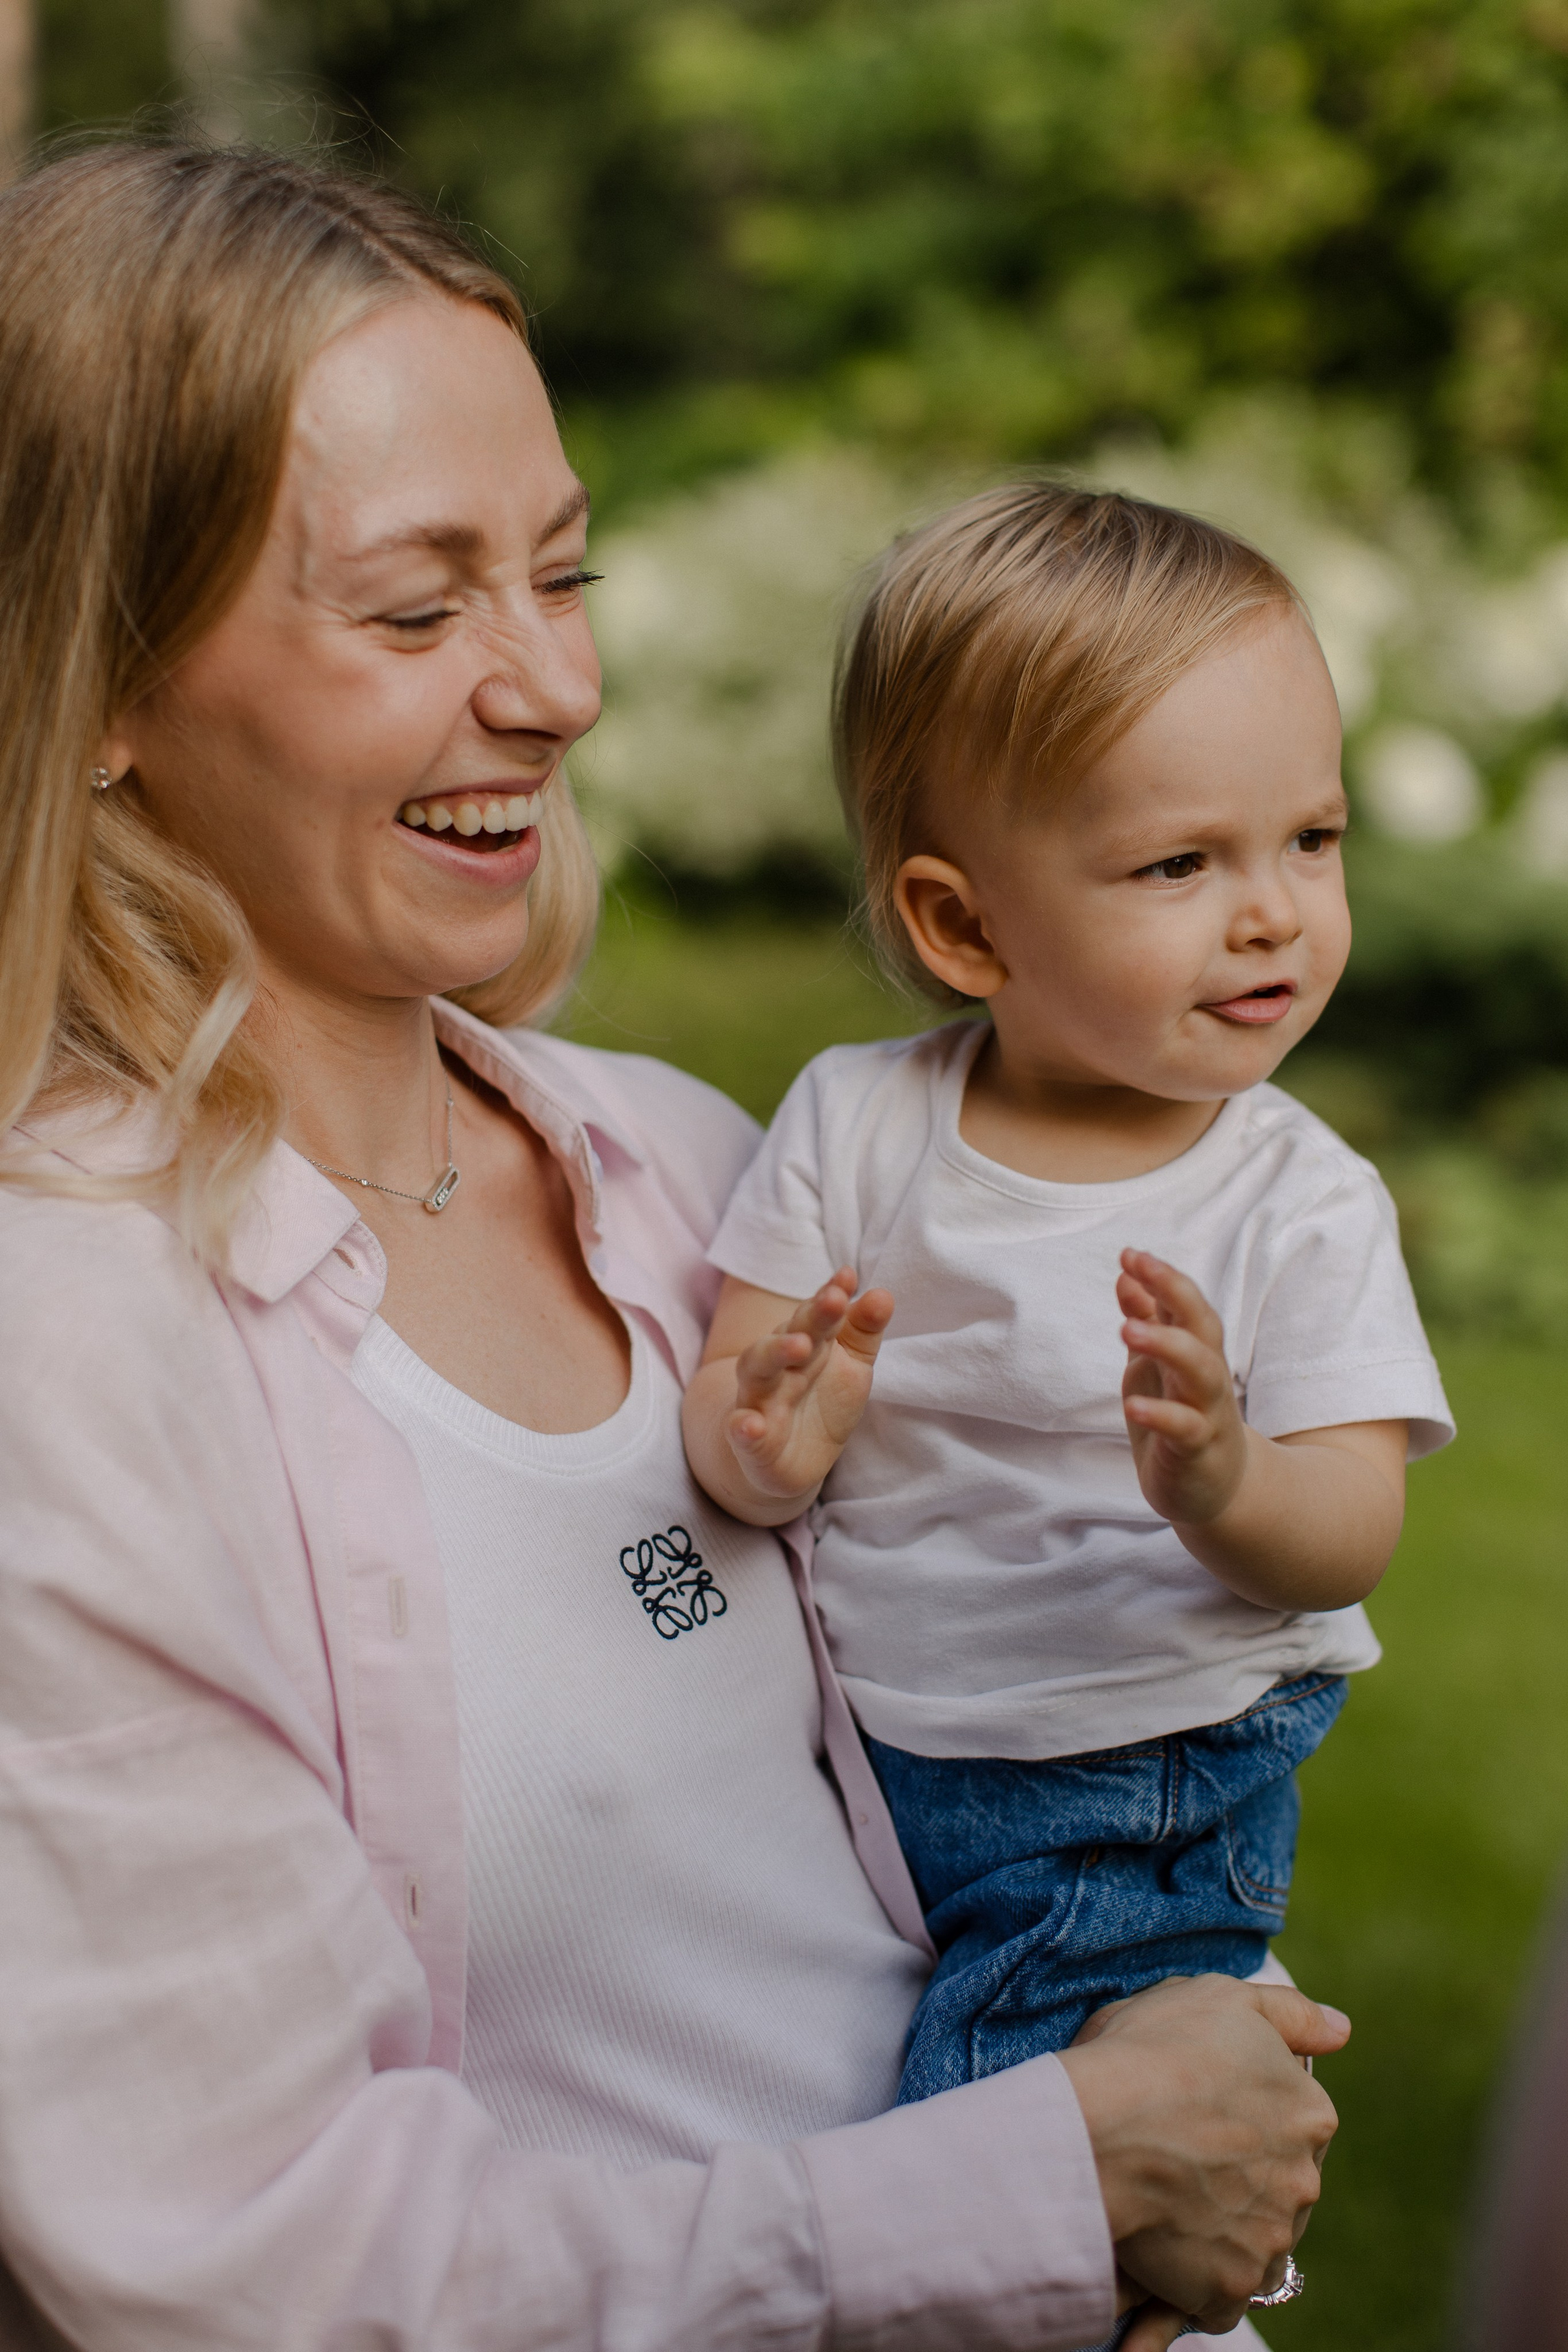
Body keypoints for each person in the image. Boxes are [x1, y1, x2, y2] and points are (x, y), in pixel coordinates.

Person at [0, 143, 1342, 2352]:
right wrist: (1047, 2186)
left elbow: (1001, 1786)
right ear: (105, 683)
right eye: (419, 609)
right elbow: (265, 2272)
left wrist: (1184, 2045)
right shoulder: (77, 1348)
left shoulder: (692, 1173)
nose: (554, 688)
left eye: (563, 571)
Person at [685, 485, 1453, 2106]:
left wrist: (1230, 1483)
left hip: (1138, 1775)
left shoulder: (1296, 1202)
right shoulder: (860, 1119)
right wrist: (770, 1434)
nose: (1274, 911)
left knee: (1023, 2114)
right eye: (1180, 861)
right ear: (963, 924)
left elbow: (1351, 1531)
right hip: (889, 1741)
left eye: (1311, 840)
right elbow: (740, 1396)